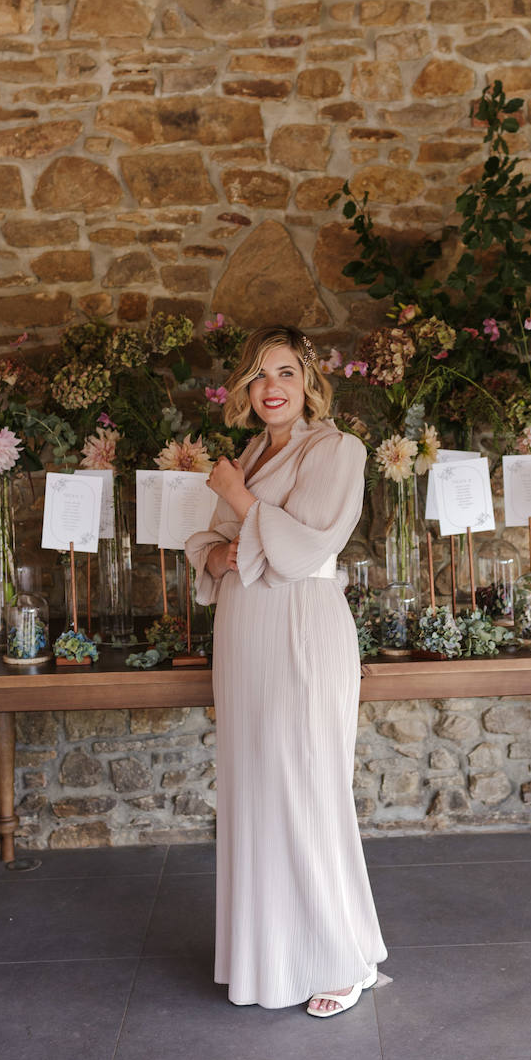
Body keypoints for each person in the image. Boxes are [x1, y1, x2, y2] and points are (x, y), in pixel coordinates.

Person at [185, 325, 387, 1016]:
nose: (272, 387)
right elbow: (211, 545)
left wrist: (237, 502)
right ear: (245, 389)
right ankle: (270, 959)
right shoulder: (246, 452)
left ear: (309, 385)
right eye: (259, 375)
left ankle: (339, 958)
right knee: (256, 788)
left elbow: (302, 549)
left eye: (286, 374)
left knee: (304, 784)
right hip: (245, 632)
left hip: (302, 628)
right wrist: (220, 554)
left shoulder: (337, 449)